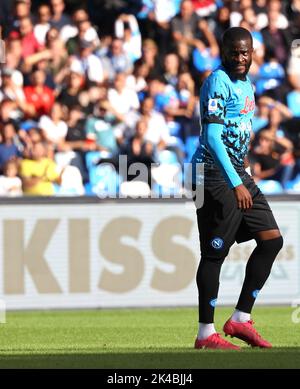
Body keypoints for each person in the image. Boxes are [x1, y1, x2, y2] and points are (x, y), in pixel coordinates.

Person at [191, 27, 283, 350]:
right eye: (235, 52)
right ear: (224, 51)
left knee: (272, 240)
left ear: (253, 52)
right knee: (215, 252)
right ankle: (205, 334)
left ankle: (241, 319)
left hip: (237, 172)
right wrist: (235, 182)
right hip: (212, 174)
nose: (241, 58)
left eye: (246, 52)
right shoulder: (218, 81)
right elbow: (213, 138)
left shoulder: (247, 85)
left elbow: (239, 130)